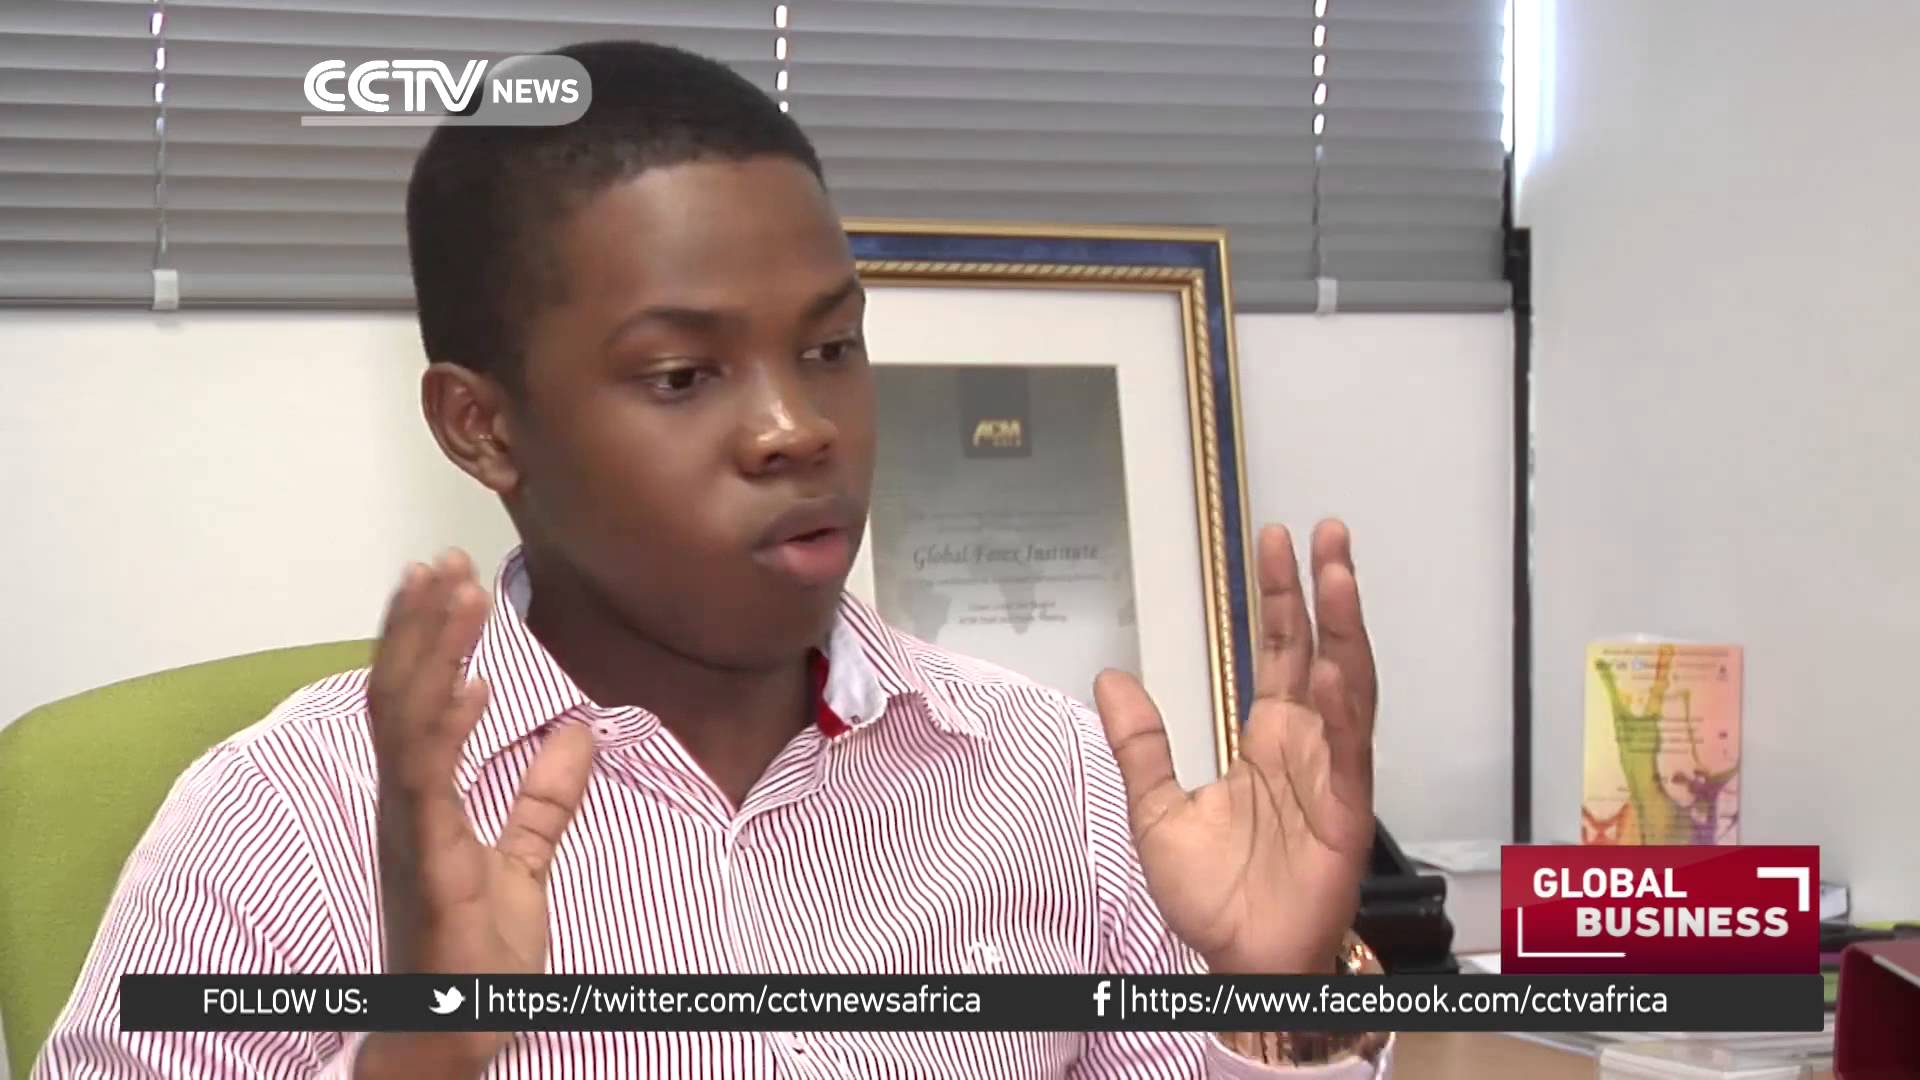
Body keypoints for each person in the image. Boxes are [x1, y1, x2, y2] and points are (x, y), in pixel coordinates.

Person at [35, 41, 1393, 1079]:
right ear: (482, 427)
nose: (798, 427)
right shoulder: (290, 822)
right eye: (683, 375)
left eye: (831, 348)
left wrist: (1285, 1003)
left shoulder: (1048, 779)